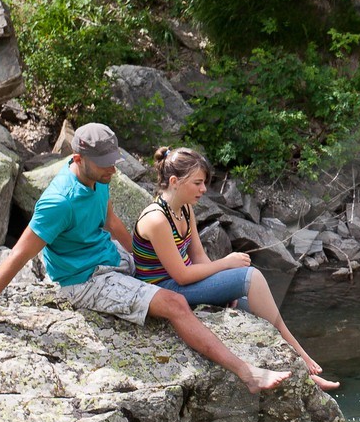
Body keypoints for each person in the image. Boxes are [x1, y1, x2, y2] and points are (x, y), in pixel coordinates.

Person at [0, 123, 290, 393]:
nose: (112, 170)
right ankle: (246, 372)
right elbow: (17, 256)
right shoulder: (58, 203)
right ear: (77, 159)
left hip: (112, 257)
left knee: (166, 274)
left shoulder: (99, 178)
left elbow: (112, 221)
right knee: (174, 303)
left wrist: (142, 257)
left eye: (113, 162)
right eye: (104, 164)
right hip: (85, 278)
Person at [135, 146, 338, 392]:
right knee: (250, 276)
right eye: (198, 183)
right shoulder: (156, 219)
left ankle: (302, 373)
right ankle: (302, 357)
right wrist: (226, 264)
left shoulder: (184, 208)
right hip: (165, 291)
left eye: (204, 183)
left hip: (183, 285)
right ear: (175, 181)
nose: (203, 190)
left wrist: (220, 287)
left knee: (247, 304)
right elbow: (180, 274)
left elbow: (198, 255)